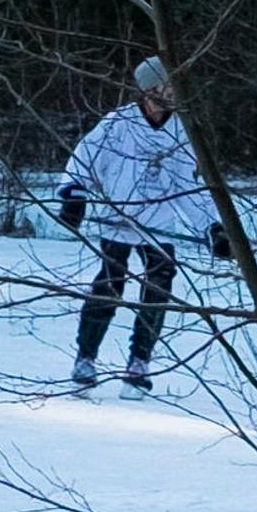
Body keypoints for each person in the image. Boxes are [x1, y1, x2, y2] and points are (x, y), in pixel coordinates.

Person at [59, 53, 207, 390]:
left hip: (160, 224)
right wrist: (73, 196)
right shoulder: (117, 124)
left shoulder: (181, 133)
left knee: (159, 284)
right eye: (166, 85)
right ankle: (86, 358)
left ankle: (140, 361)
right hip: (119, 221)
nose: (172, 93)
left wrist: (211, 227)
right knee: (110, 283)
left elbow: (190, 187)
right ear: (148, 88)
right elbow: (83, 160)